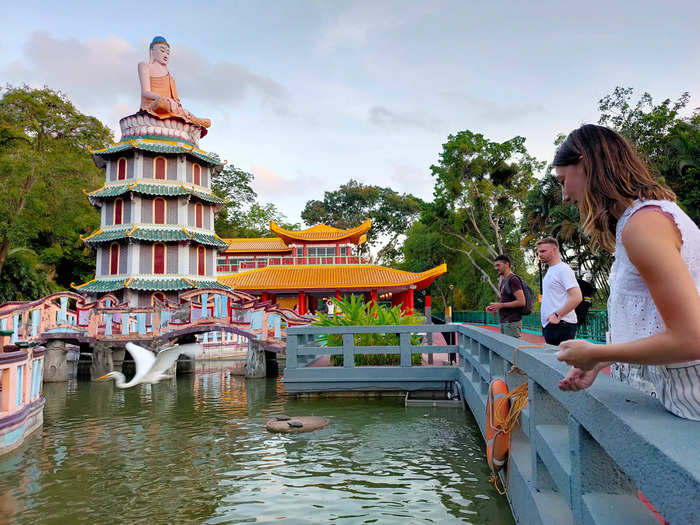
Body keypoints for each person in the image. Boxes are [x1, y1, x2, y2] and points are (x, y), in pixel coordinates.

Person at [554, 124, 700, 420]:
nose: (565, 196)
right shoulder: (648, 216)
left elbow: (692, 339)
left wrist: (597, 354)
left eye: (562, 180)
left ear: (584, 162)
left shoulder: (643, 226)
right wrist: (596, 363)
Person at [138, 36, 211, 129]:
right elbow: (145, 92)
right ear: (152, 51)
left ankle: (193, 118)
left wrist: (174, 103)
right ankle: (190, 118)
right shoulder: (144, 66)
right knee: (162, 103)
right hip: (152, 105)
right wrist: (164, 98)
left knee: (175, 108)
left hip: (170, 107)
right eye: (162, 51)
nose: (166, 55)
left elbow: (176, 101)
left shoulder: (170, 77)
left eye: (168, 53)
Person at [537, 238, 582, 345]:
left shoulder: (563, 270)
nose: (539, 254)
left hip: (561, 325)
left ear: (555, 250)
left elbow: (577, 297)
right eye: (538, 251)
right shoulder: (552, 270)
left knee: (559, 361)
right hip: (552, 325)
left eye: (543, 251)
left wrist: (557, 315)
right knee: (552, 360)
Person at [486, 255, 525, 339]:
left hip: (512, 323)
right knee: (505, 350)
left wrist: (501, 305)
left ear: (507, 264)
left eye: (498, 265)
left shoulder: (513, 279)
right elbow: (506, 301)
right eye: (495, 266)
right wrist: (496, 307)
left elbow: (522, 301)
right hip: (505, 322)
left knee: (511, 351)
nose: (496, 268)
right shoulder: (504, 281)